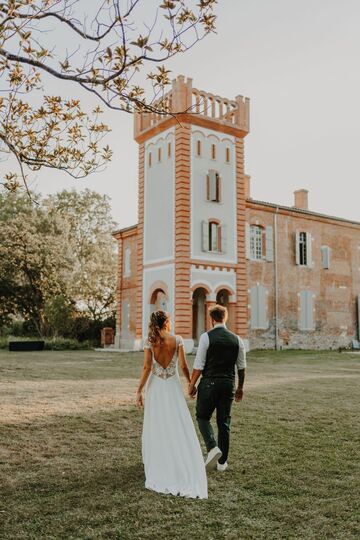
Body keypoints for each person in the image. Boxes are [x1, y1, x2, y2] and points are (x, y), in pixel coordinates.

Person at [136, 310, 208, 499]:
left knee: (157, 423)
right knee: (176, 421)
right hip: (173, 386)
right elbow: (184, 366)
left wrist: (139, 390)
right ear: (167, 321)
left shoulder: (150, 341)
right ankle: (176, 458)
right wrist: (190, 384)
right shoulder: (178, 340)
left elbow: (147, 367)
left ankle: (160, 459)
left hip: (156, 387)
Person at [188, 304, 246, 472]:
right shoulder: (237, 339)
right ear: (225, 318)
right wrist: (240, 388)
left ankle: (212, 447)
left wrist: (192, 385)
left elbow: (199, 366)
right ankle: (222, 463)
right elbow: (241, 367)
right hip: (229, 385)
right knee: (224, 422)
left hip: (209, 384)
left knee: (202, 417)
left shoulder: (206, 337)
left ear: (212, 319)